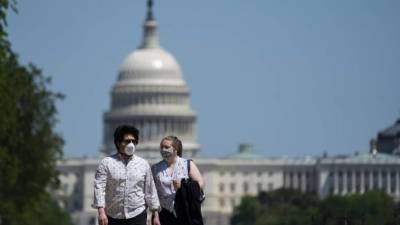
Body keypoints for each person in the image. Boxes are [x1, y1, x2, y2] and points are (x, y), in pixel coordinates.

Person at [92, 125, 161, 225]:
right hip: (113, 215)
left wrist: (155, 215)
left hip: (137, 214)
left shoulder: (143, 164)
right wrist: (101, 212)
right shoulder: (106, 163)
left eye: (133, 141)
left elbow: (150, 191)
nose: (131, 144)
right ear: (118, 143)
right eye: (127, 141)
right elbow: (99, 188)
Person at [152, 136, 205, 225]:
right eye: (162, 147)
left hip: (185, 210)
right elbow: (153, 194)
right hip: (164, 213)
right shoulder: (155, 168)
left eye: (166, 147)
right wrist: (155, 215)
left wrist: (183, 186)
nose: (163, 149)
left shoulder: (187, 164)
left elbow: (201, 183)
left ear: (175, 149)